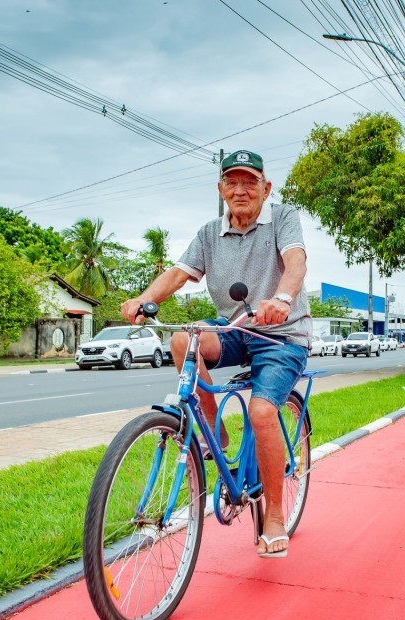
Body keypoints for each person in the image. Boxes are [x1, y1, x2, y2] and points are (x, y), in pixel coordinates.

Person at [121, 150, 311, 559]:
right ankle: (213, 429)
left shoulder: (283, 217)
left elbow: (296, 262)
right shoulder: (210, 233)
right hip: (236, 328)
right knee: (182, 340)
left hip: (282, 334)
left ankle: (274, 516)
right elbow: (178, 274)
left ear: (266, 188)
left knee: (262, 411)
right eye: (232, 182)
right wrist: (142, 298)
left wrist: (282, 297)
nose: (241, 190)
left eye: (250, 182)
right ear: (221, 188)